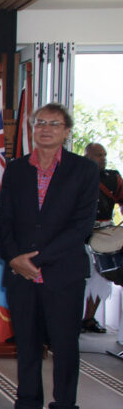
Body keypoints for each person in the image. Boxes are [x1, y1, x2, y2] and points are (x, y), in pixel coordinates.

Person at [0, 103, 99, 409]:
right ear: (31, 128)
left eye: (54, 124)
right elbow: (4, 221)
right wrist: (13, 258)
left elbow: (81, 225)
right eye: (40, 123)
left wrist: (36, 260)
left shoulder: (84, 170)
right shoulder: (16, 169)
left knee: (65, 347)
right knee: (26, 345)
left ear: (66, 131)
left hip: (62, 274)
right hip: (20, 274)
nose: (46, 129)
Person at [81, 142, 123, 333]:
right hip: (80, 232)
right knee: (80, 276)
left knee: (102, 277)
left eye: (104, 155)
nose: (103, 158)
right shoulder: (76, 176)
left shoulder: (113, 178)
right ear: (87, 156)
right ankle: (72, 319)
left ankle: (89, 319)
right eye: (99, 155)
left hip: (105, 233)